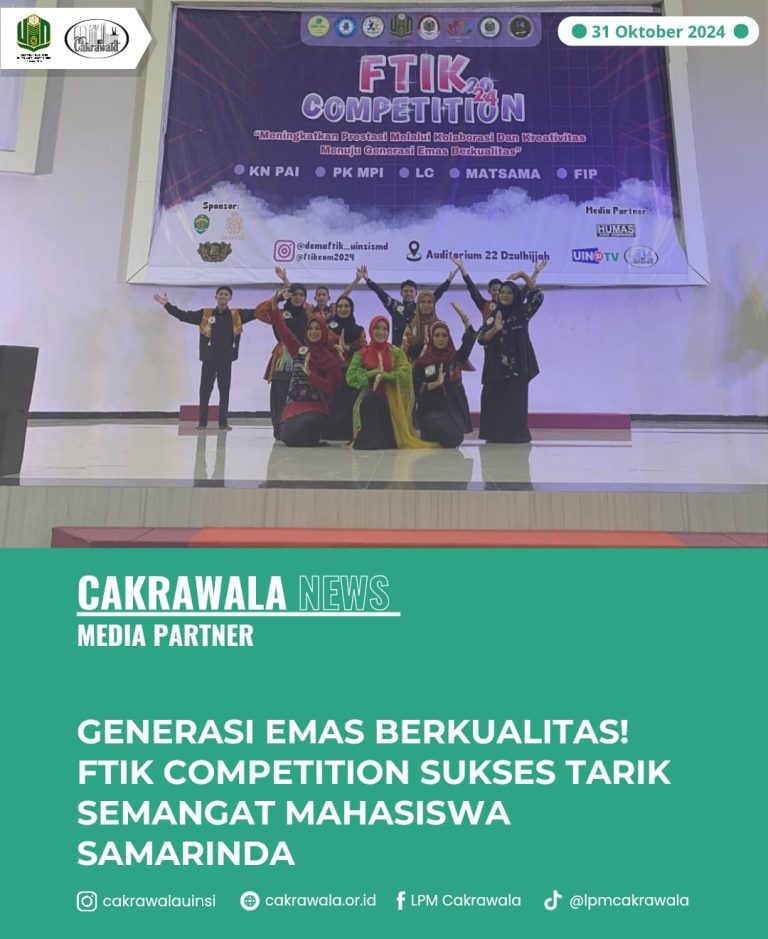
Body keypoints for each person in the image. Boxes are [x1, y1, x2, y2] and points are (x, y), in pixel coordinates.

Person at [153, 286, 258, 430]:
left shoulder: (237, 315)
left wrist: (279, 298)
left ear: (230, 298)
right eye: (221, 294)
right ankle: (202, 422)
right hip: (209, 359)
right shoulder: (205, 314)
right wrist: (167, 305)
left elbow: (258, 311)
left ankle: (223, 423)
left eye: (226, 294)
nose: (223, 296)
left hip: (226, 360)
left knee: (224, 391)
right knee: (205, 391)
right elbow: (184, 315)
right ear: (216, 296)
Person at [346, 316, 438, 450]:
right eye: (377, 328)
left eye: (385, 329)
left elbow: (406, 375)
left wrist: (386, 376)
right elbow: (351, 377)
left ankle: (380, 439)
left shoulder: (396, 352)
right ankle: (370, 440)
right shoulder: (362, 353)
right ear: (371, 330)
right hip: (368, 399)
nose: (381, 332)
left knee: (378, 399)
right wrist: (373, 374)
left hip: (393, 402)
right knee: (373, 398)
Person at [477, 269, 546, 444]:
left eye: (509, 293)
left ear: (515, 295)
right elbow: (481, 338)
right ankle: (494, 435)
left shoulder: (523, 311)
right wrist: (495, 330)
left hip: (517, 367)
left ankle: (516, 435)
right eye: (502, 293)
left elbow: (537, 296)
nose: (505, 296)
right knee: (493, 400)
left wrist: (523, 275)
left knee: (515, 402)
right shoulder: (495, 314)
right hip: (495, 367)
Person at [270, 293, 340, 447]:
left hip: (317, 407)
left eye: (317, 329)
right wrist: (275, 306)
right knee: (287, 436)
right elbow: (283, 331)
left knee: (307, 425)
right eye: (310, 329)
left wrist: (311, 375)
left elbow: (330, 386)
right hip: (295, 406)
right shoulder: (300, 350)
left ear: (323, 331)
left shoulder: (329, 358)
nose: (313, 332)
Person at [413, 302, 478, 448]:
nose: (440, 339)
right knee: (451, 437)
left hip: (451, 410)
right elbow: (416, 387)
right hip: (430, 411)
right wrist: (436, 383)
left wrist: (464, 317)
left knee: (455, 437)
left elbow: (470, 339)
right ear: (432, 338)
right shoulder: (423, 362)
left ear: (449, 338)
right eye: (437, 335)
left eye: (444, 335)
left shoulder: (454, 359)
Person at [253, 282, 313, 438]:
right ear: (289, 296)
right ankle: (279, 430)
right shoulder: (278, 312)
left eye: (302, 295)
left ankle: (296, 429)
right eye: (295, 294)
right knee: (280, 395)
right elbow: (258, 312)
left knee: (300, 395)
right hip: (283, 360)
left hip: (303, 360)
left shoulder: (309, 313)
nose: (298, 298)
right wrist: (278, 298)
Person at [358, 264, 457, 347]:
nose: (408, 293)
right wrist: (368, 280)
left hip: (415, 352)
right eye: (405, 291)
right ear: (401, 293)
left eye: (411, 291)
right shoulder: (395, 306)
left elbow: (435, 295)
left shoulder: (420, 308)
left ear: (416, 293)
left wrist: (448, 281)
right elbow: (381, 294)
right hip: (397, 352)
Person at [323, 296, 366, 440]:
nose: (343, 309)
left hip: (351, 372)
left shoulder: (359, 329)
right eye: (340, 306)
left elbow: (364, 348)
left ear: (351, 309)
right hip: (331, 371)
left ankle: (349, 432)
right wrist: (334, 346)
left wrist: (348, 348)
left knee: (349, 403)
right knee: (333, 403)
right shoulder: (327, 327)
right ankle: (330, 433)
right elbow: (321, 344)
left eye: (346, 306)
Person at [401, 290, 439, 360]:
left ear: (434, 304)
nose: (426, 305)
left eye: (429, 302)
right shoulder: (411, 326)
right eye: (423, 302)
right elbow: (404, 352)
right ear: (418, 305)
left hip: (437, 365)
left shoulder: (440, 326)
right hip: (414, 365)